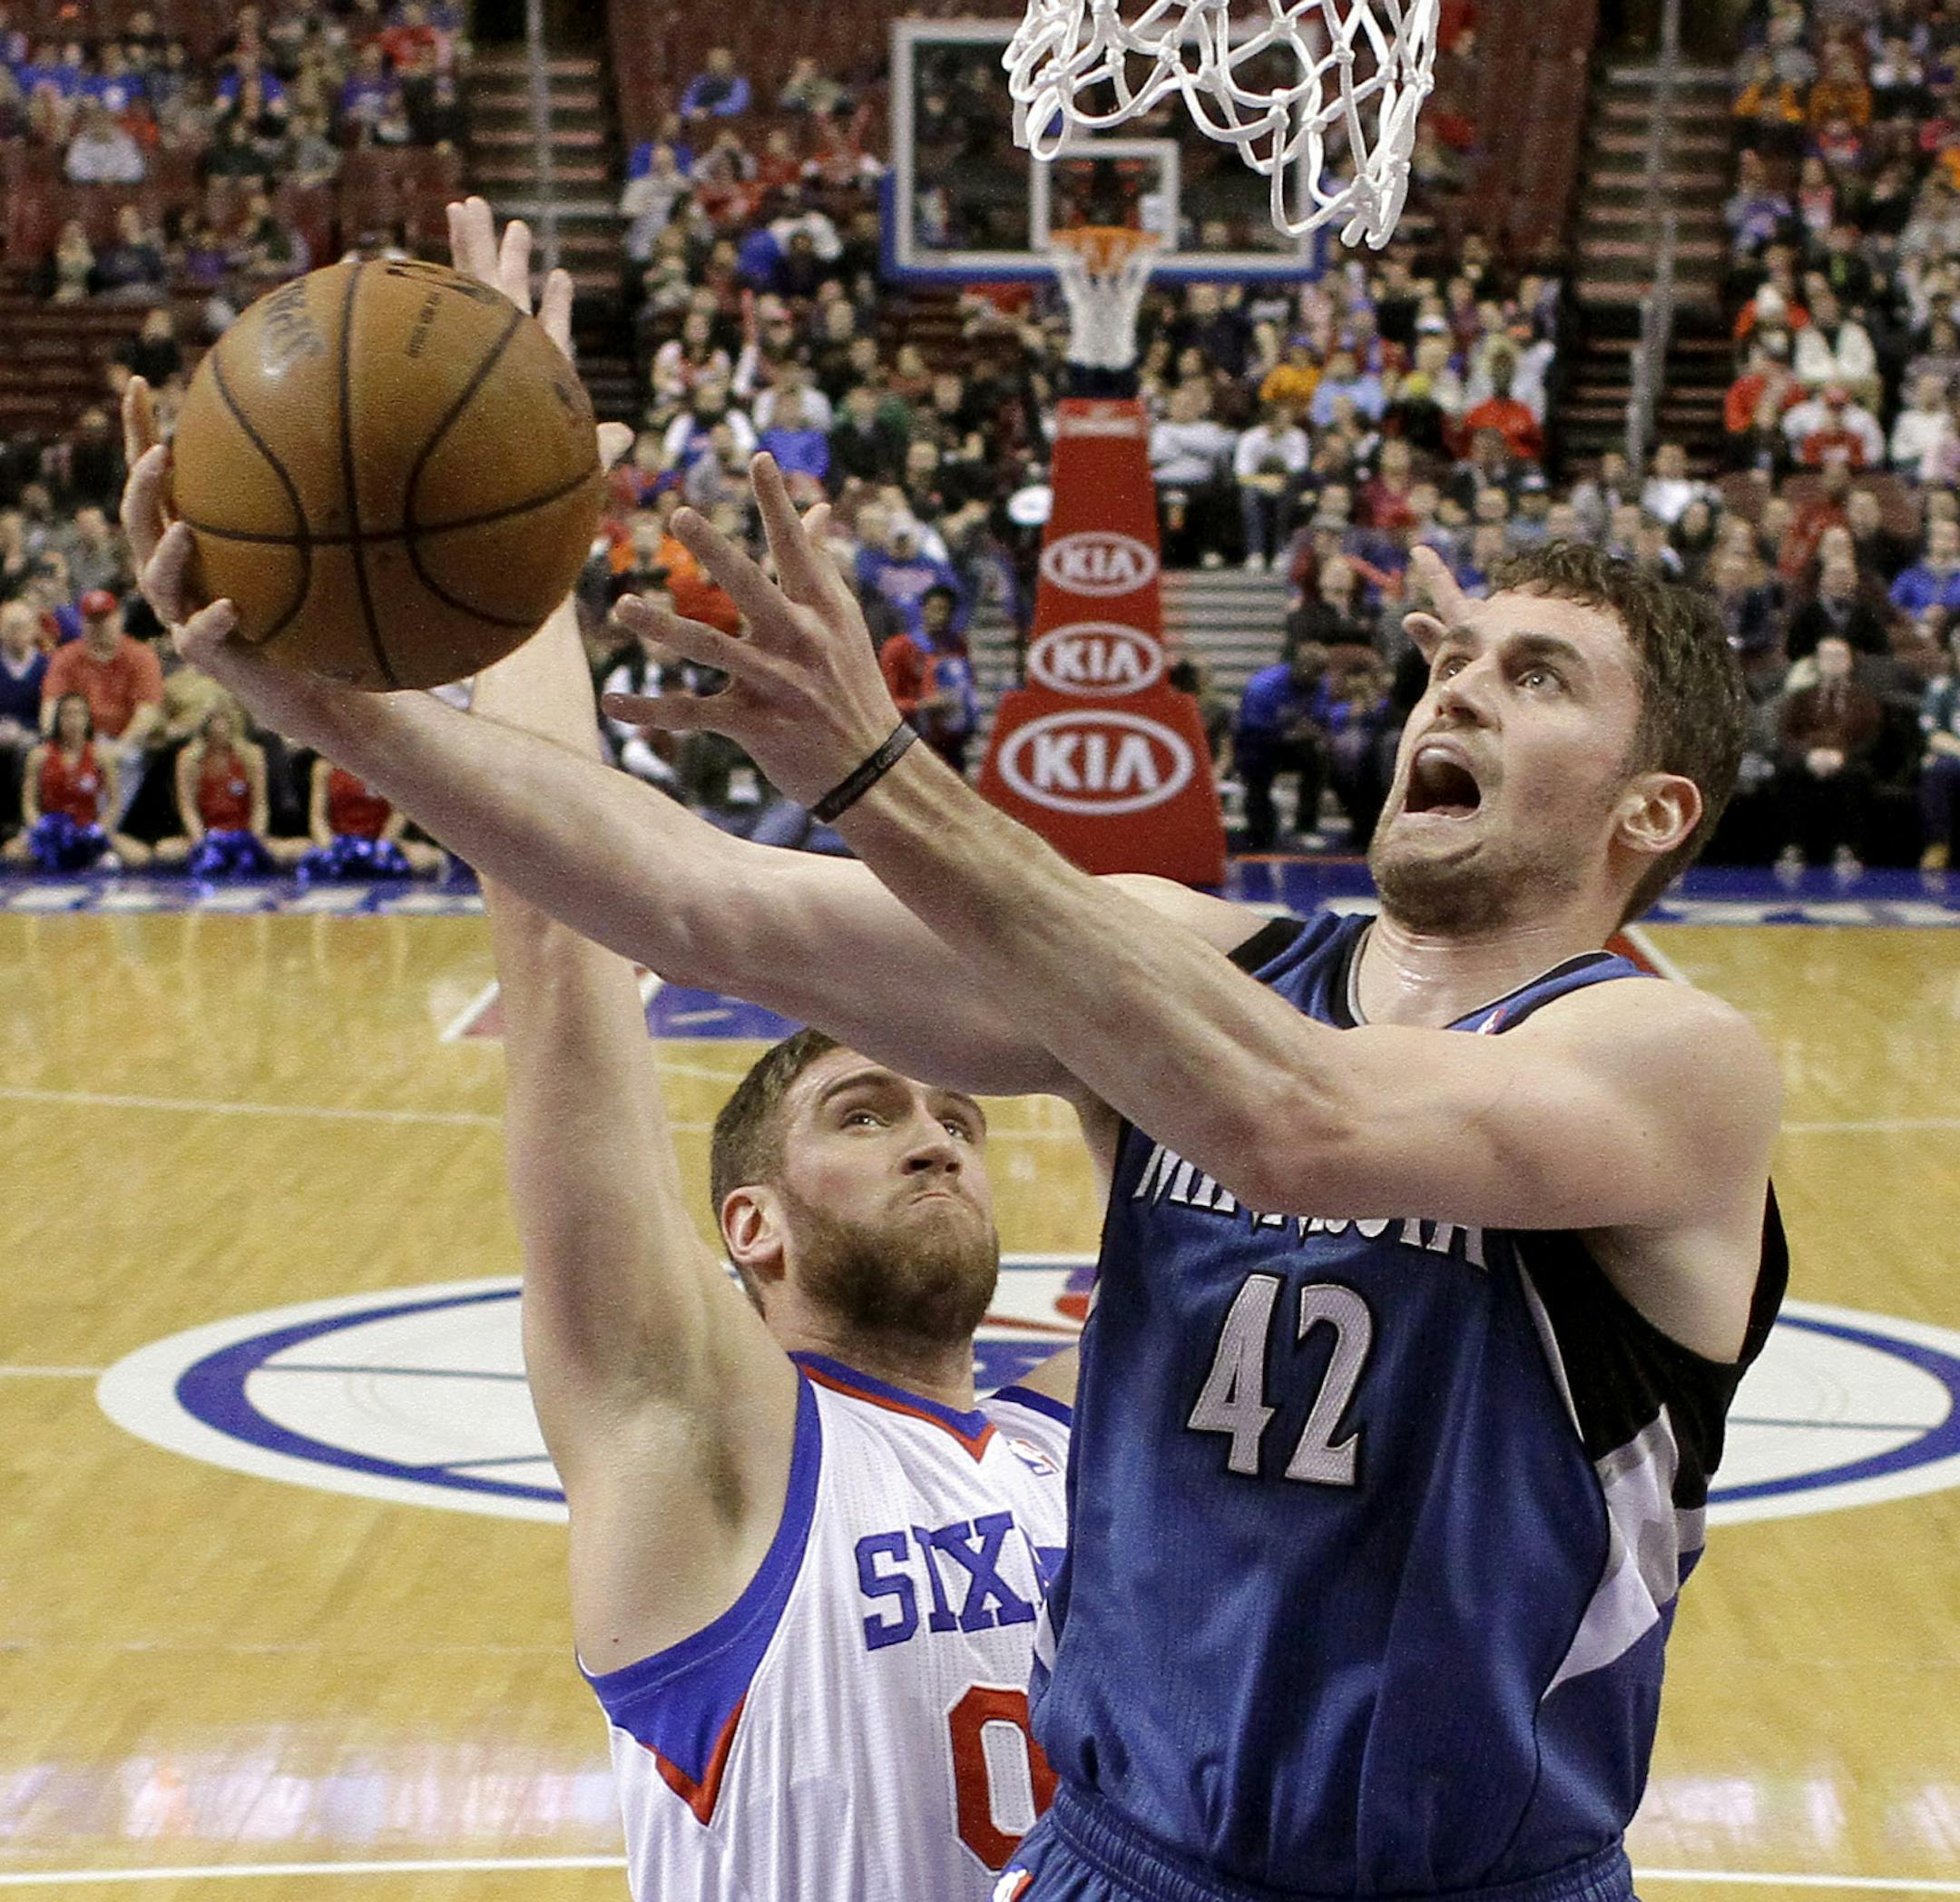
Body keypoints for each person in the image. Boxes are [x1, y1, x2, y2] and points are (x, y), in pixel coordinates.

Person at [126, 224, 1784, 1902]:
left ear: (1648, 813)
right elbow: (692, 898)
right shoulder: (1193, 956)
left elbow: (1299, 1117)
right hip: (1117, 1867)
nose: (1459, 693)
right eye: (1451, 660)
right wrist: (309, 693)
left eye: (1537, 674)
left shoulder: (1673, 1065)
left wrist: (875, 765)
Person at [433, 202, 1073, 1902]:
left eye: (955, 1112)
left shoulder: (1081, 1442)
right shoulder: (704, 1441)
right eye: (870, 1111)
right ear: (752, 1231)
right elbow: (563, 948)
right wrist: (517, 538)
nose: (942, 1135)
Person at [151, 697, 306, 874]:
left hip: (244, 833)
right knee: (165, 850)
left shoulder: (252, 756)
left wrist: (254, 840)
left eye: (223, 719)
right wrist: (202, 843)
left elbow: (260, 806)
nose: (219, 726)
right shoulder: (189, 758)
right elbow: (188, 808)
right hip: (207, 834)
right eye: (215, 720)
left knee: (298, 849)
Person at [4, 691, 150, 868]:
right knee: (11, 853)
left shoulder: (101, 756)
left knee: (140, 856)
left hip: (87, 827)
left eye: (79, 714)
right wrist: (40, 828)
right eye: (67, 714)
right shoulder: (39, 755)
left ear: (88, 719)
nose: (73, 720)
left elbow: (114, 803)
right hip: (50, 827)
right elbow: (28, 803)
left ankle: (92, 853)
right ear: (58, 718)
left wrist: (99, 830)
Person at [300, 756, 442, 879]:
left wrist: (384, 845)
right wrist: (329, 849)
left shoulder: (390, 766)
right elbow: (318, 817)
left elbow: (399, 813)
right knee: (297, 854)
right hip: (339, 840)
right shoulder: (325, 767)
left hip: (379, 840)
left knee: (428, 858)